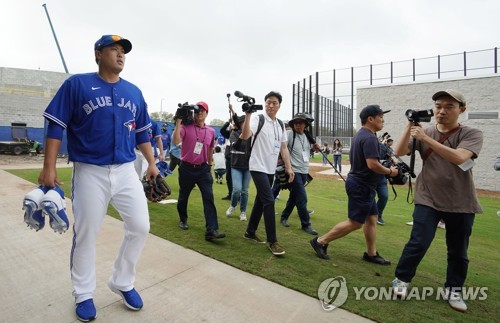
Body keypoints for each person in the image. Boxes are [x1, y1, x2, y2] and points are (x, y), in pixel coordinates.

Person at [38, 34, 159, 321]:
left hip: (126, 170)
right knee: (87, 232)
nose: (120, 55)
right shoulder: (77, 84)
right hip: (89, 170)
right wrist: (49, 167)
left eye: (123, 52)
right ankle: (83, 293)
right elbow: (56, 127)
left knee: (140, 226)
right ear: (98, 54)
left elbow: (143, 132)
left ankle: (122, 281)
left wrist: (152, 163)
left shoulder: (134, 92)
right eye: (114, 50)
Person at [391, 90, 483, 313]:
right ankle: (401, 279)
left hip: (461, 201)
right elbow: (400, 151)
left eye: (449, 106)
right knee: (419, 241)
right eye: (438, 106)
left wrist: (425, 138)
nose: (441, 111)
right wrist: (410, 127)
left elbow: (460, 157)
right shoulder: (425, 131)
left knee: (458, 250)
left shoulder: (471, 133)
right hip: (428, 196)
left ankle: (454, 289)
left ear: (462, 109)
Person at [310, 105, 398, 265]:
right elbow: (372, 164)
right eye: (380, 116)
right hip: (361, 186)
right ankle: (320, 241)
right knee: (356, 222)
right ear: (370, 119)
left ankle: (371, 254)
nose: (383, 119)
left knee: (372, 218)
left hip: (363, 184)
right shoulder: (370, 138)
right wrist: (390, 172)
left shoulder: (362, 135)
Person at [240, 91, 294, 256]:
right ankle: (273, 241)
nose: (271, 105)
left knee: (260, 200)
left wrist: (289, 167)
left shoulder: (280, 124)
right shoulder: (258, 119)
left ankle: (250, 231)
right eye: (268, 102)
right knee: (269, 201)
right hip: (257, 166)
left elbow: (283, 147)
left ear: (279, 105)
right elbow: (245, 135)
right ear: (265, 104)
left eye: (274, 103)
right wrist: (248, 115)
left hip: (271, 168)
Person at [172, 101, 226, 241]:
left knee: (209, 197)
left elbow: (210, 148)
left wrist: (209, 164)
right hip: (186, 167)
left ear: (207, 114)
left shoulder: (211, 131)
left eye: (203, 111)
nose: (200, 113)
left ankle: (211, 230)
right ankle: (183, 219)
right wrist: (178, 121)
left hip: (203, 169)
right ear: (193, 113)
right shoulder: (185, 127)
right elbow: (176, 140)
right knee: (183, 196)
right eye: (197, 111)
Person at [279, 113, 320, 235]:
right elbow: (283, 148)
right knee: (302, 198)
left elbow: (306, 151)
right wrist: (287, 167)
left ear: (305, 125)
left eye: (300, 123)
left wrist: (314, 149)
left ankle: (284, 217)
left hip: (303, 171)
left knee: (294, 197)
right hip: (293, 171)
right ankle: (306, 224)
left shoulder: (307, 136)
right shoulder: (290, 134)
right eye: (296, 123)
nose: (298, 125)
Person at [226, 115, 251, 221]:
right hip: (236, 166)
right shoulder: (234, 134)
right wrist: (242, 135)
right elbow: (235, 146)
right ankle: (233, 205)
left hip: (248, 167)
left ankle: (243, 212)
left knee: (245, 191)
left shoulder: (252, 135)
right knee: (236, 190)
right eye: (243, 123)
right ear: (240, 124)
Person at [376, 136, 394, 225]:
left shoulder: (388, 150)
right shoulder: (372, 145)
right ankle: (371, 214)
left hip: (382, 177)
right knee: (368, 198)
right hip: (369, 177)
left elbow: (389, 161)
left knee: (384, 196)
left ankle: (378, 215)